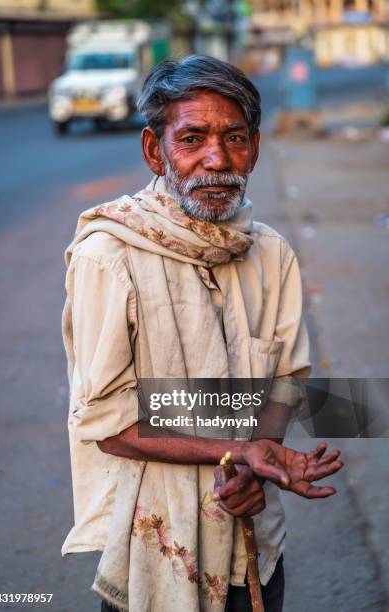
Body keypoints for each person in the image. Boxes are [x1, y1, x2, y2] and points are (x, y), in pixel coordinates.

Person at [61, 56, 344, 612]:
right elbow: (106, 419)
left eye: (234, 138)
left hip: (254, 544)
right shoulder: (109, 256)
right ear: (154, 150)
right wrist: (240, 448)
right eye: (191, 139)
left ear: (255, 147)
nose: (217, 160)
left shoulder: (271, 254)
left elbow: (285, 380)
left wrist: (256, 456)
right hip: (155, 543)